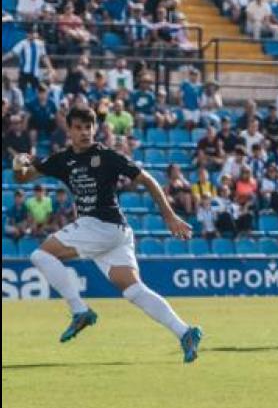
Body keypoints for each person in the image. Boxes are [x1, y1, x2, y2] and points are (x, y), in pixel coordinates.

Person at [12, 106, 203, 362]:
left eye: (88, 127)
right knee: (134, 291)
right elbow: (24, 178)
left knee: (40, 255)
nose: (84, 132)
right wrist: (18, 164)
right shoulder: (62, 160)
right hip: (115, 233)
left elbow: (147, 180)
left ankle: (80, 310)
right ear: (68, 130)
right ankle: (185, 332)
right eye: (78, 127)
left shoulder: (107, 156)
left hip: (101, 225)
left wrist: (169, 216)